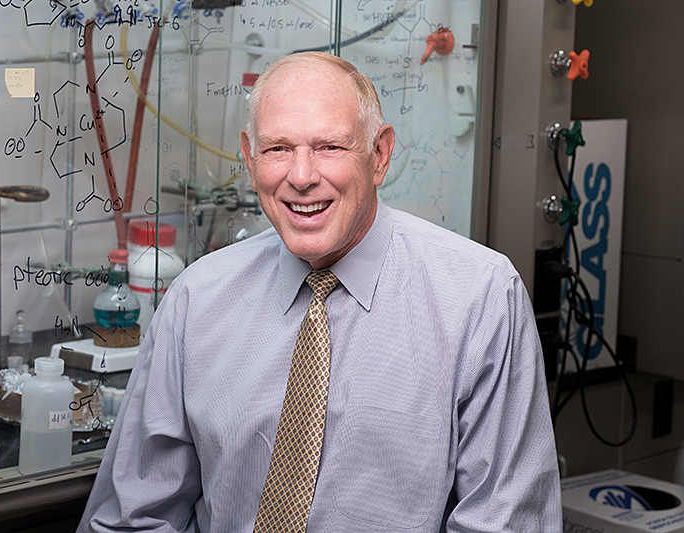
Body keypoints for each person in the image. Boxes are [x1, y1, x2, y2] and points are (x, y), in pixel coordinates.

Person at [77, 52, 562, 532]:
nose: (302, 176)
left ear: (380, 154)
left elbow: (505, 523)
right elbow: (132, 519)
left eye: (330, 146)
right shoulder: (196, 301)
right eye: (278, 149)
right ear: (249, 157)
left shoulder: (479, 299)